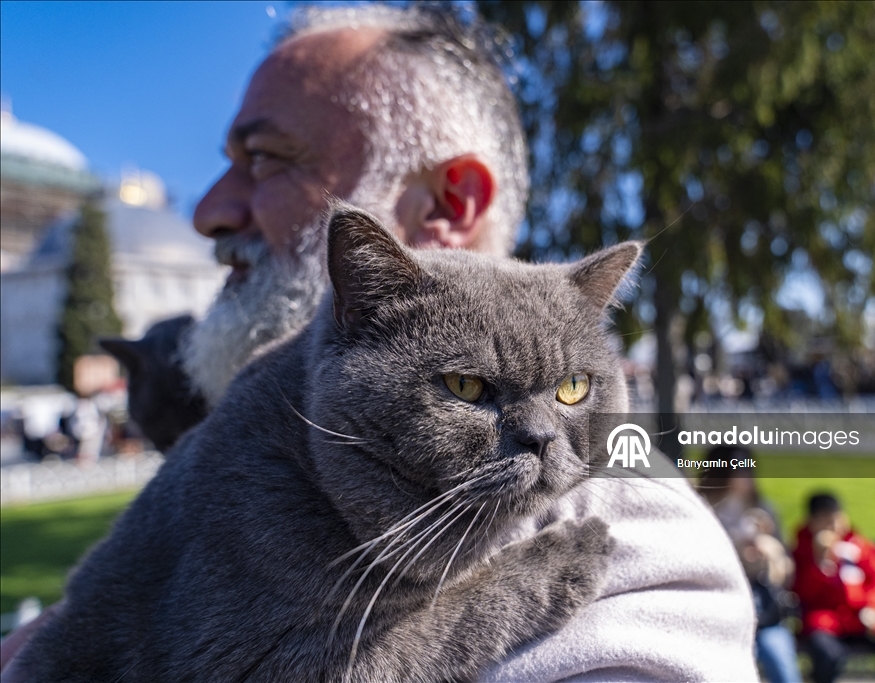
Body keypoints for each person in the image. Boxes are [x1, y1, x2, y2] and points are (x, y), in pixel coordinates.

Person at [1, 6, 758, 681]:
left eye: (266, 158)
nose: (207, 211)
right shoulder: (273, 432)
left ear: (448, 201)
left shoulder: (639, 556)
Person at [699, 446, 803, 683]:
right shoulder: (702, 509)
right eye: (738, 469)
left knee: (782, 666)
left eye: (748, 468)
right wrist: (735, 550)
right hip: (717, 611)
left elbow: (784, 571)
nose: (745, 475)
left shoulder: (763, 510)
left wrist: (769, 551)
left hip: (762, 610)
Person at [792, 492, 875, 683]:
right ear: (812, 522)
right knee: (827, 655)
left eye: (836, 520)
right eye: (826, 521)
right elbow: (802, 592)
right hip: (826, 622)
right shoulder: (802, 549)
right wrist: (819, 561)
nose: (833, 527)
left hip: (863, 619)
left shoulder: (859, 546)